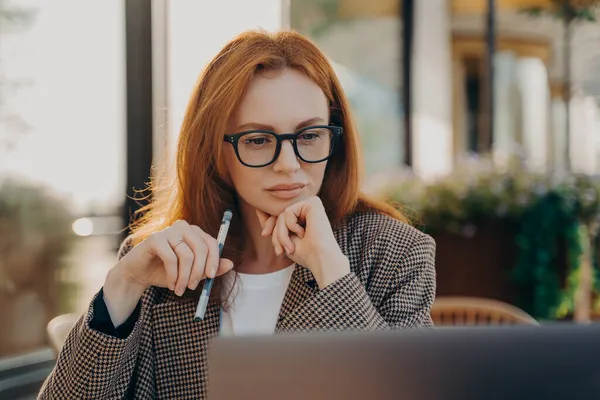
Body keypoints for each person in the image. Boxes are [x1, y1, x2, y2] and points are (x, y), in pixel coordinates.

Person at [38, 29, 436, 399]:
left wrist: (332, 271)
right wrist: (124, 283)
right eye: (259, 140)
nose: (288, 164)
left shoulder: (393, 252)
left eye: (310, 135)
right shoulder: (164, 259)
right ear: (215, 151)